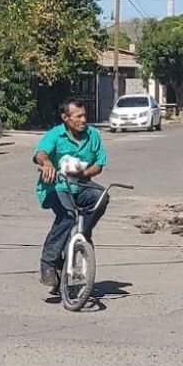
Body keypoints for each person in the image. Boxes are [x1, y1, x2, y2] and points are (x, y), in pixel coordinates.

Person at [33, 97, 108, 289]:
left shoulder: (93, 135)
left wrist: (83, 172)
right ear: (65, 117)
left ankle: (84, 234)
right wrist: (47, 163)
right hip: (57, 187)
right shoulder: (56, 135)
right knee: (67, 216)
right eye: (78, 116)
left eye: (85, 116)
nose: (83, 120)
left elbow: (99, 165)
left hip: (82, 186)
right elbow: (40, 153)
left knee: (101, 195)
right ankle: (48, 263)